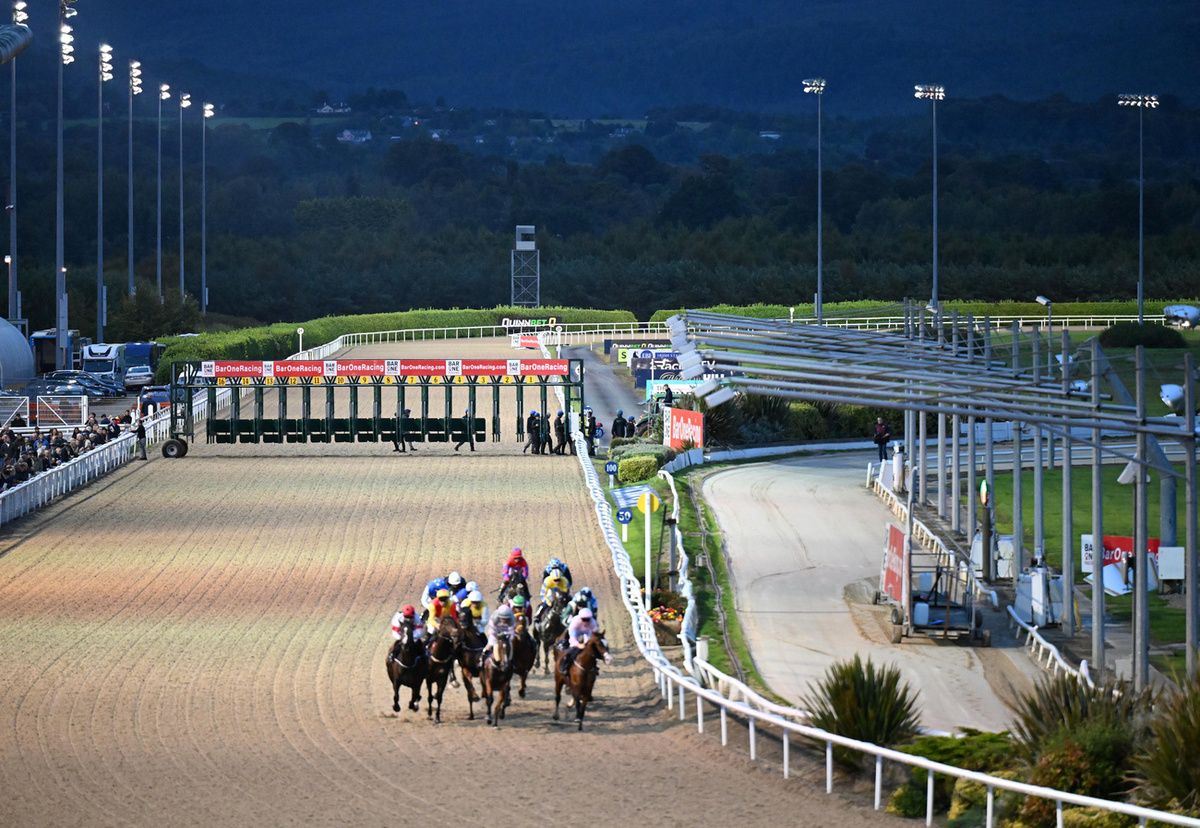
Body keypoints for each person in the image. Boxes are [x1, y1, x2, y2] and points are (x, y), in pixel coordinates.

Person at [559, 607, 599, 675]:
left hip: (587, 632)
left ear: (591, 618)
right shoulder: (575, 622)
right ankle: (564, 667)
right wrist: (578, 645)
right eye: (584, 619)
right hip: (576, 631)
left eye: (588, 619)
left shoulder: (593, 623)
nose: (586, 621)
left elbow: (593, 636)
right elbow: (572, 638)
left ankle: (594, 666)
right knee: (571, 651)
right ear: (580, 618)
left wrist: (587, 644)